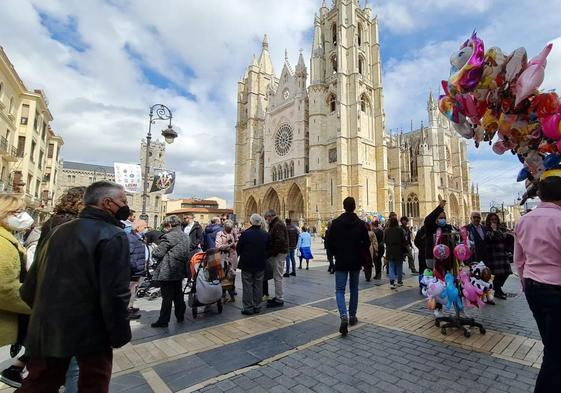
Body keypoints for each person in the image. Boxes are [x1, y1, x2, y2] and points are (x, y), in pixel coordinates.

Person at [18, 181, 132, 393]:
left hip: (48, 326)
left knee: (39, 383)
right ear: (107, 203)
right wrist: (119, 332)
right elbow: (115, 293)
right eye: (123, 201)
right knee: (93, 383)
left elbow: (29, 286)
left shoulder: (57, 231)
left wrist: (44, 314)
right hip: (91, 332)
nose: (126, 206)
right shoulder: (113, 235)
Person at [514, 172, 561, 392]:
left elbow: (519, 259)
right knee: (555, 352)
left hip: (533, 288)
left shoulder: (524, 220)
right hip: (556, 290)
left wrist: (525, 283)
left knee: (551, 345)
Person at [0, 195, 32, 388]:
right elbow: (4, 289)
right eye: (17, 212)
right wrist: (34, 303)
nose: (23, 216)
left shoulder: (8, 239)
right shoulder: (3, 244)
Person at [326, 197, 370, 336]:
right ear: (354, 207)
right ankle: (352, 316)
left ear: (344, 207)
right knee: (354, 288)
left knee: (339, 290)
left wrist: (333, 258)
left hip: (341, 261)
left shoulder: (336, 223)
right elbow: (367, 243)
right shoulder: (361, 224)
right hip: (356, 261)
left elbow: (329, 244)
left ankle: (343, 315)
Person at [151, 215, 190, 328]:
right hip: (179, 269)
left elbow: (158, 254)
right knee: (178, 294)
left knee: (167, 298)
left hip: (167, 270)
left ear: (169, 225)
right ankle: (180, 315)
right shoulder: (185, 236)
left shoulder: (169, 236)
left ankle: (163, 320)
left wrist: (154, 249)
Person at [424, 200, 455, 318]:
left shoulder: (448, 229)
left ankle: (453, 305)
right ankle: (437, 307)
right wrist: (439, 208)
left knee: (447, 284)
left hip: (446, 261)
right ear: (436, 219)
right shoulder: (431, 228)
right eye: (441, 217)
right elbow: (427, 220)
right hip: (433, 260)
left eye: (444, 217)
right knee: (436, 286)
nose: (443, 219)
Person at [237, 214, 269, 315]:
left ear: (251, 222)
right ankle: (257, 306)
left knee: (247, 286)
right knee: (258, 285)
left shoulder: (245, 234)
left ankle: (248, 307)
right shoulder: (265, 234)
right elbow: (268, 249)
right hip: (260, 264)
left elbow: (238, 248)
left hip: (247, 264)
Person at [264, 209, 288, 308]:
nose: (266, 220)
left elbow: (280, 241)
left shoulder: (277, 224)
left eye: (266, 218)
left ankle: (279, 299)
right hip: (279, 253)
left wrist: (272, 253)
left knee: (278, 276)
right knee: (277, 276)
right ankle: (278, 296)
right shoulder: (276, 224)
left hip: (279, 254)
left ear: (270, 216)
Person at [484, 213, 511, 300]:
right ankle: (498, 291)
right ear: (488, 221)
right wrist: (494, 230)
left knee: (507, 272)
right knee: (498, 274)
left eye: (495, 219)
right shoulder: (486, 230)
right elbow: (491, 238)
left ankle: (498, 288)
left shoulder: (499, 229)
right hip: (494, 256)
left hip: (502, 254)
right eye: (492, 219)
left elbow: (503, 240)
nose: (494, 221)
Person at [127, 219, 148, 320]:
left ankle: (130, 307)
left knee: (134, 289)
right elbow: (129, 255)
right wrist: (134, 267)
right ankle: (128, 310)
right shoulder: (132, 238)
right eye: (144, 227)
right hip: (133, 270)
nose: (145, 229)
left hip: (138, 269)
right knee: (131, 289)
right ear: (138, 228)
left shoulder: (139, 238)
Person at [215, 220, 238, 302]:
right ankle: (223, 293)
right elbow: (217, 246)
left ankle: (232, 292)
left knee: (232, 274)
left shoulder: (233, 232)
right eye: (228, 229)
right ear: (224, 227)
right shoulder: (219, 234)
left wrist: (234, 244)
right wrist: (228, 245)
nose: (229, 231)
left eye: (230, 229)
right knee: (223, 275)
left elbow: (237, 241)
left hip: (233, 256)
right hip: (223, 256)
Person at [385, 217, 408, 289]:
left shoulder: (387, 230)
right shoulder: (400, 230)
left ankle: (392, 282)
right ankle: (399, 281)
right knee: (399, 266)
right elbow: (404, 240)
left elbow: (385, 240)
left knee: (391, 266)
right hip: (398, 250)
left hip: (390, 250)